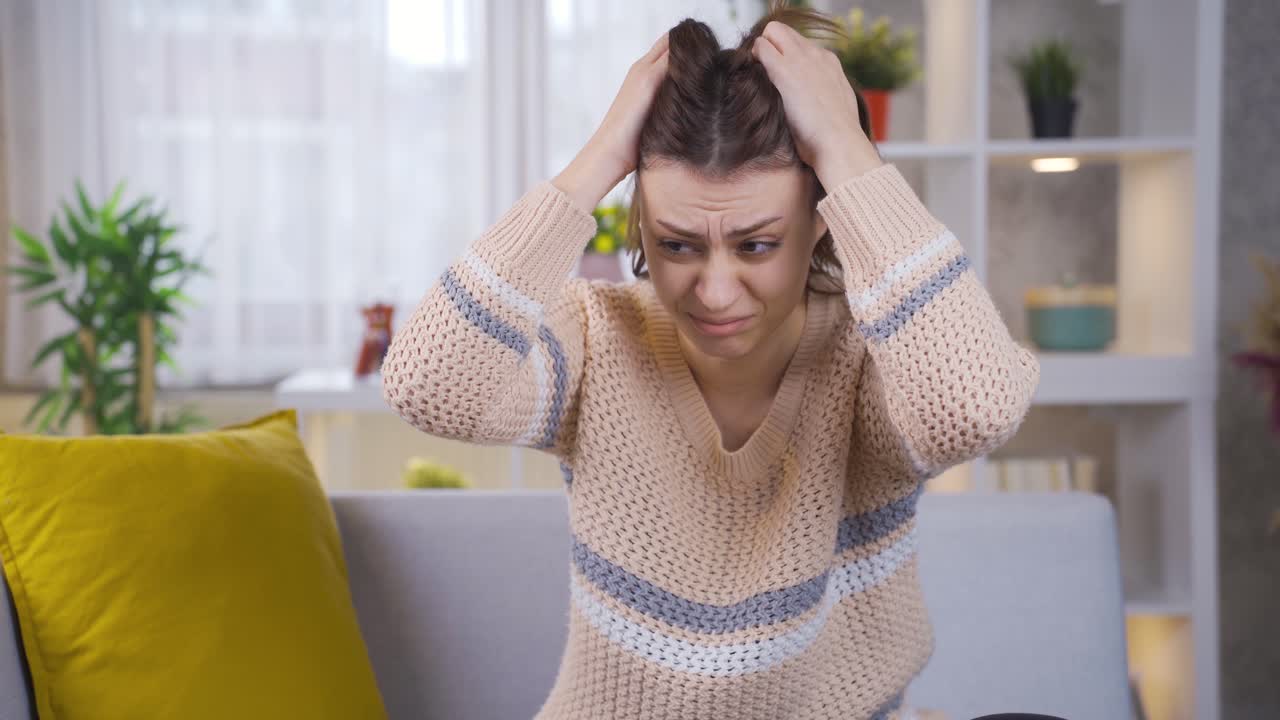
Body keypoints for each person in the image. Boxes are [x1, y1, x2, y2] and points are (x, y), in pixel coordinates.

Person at [381, 2, 1040, 718]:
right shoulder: (599, 340)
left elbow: (973, 407)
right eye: (677, 244)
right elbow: (427, 384)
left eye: (756, 244)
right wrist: (599, 158)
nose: (716, 292)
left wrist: (849, 155)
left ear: (821, 219)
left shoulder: (866, 360)